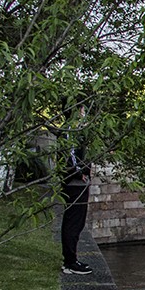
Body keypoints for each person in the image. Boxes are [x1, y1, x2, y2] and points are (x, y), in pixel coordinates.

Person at [60, 115, 92, 275]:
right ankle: (70, 262)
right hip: (74, 184)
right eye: (83, 108)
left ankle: (71, 260)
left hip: (74, 182)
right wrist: (81, 174)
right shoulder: (71, 131)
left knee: (76, 222)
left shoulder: (70, 130)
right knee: (74, 221)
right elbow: (69, 159)